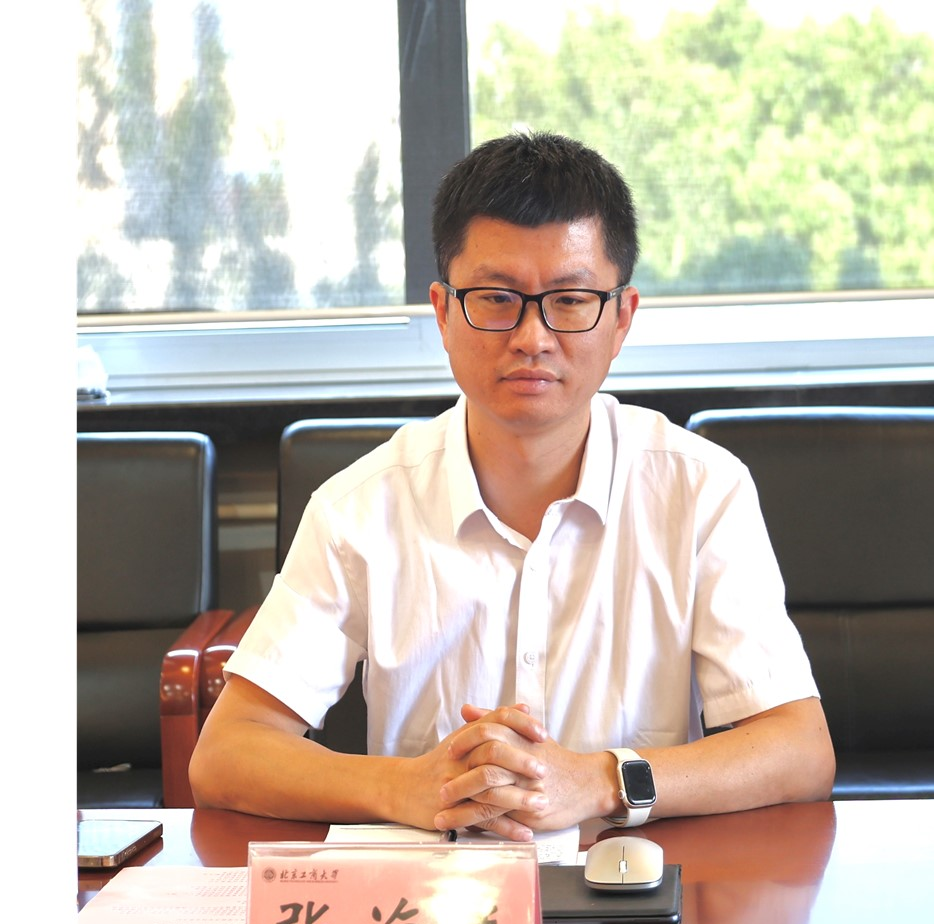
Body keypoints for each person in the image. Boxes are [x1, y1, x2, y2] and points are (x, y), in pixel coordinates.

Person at [189, 131, 835, 839]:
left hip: (631, 886)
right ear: (442, 312)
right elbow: (226, 754)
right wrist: (408, 786)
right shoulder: (358, 509)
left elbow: (799, 748)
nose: (532, 337)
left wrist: (600, 780)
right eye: (496, 299)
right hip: (426, 894)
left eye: (571, 300)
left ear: (622, 318)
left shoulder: (701, 491)